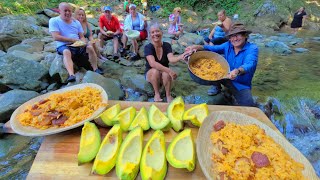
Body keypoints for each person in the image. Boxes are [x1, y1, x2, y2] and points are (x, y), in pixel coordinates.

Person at [185, 23, 258, 107]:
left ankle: (229, 90)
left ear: (245, 35)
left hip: (241, 84)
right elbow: (213, 49)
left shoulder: (252, 48)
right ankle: (217, 86)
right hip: (224, 76)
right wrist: (197, 47)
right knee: (210, 67)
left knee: (248, 106)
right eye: (232, 36)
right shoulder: (228, 45)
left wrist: (238, 71)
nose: (234, 39)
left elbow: (250, 64)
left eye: (238, 35)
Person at [49, 2, 103, 83]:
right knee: (66, 52)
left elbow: (81, 36)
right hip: (64, 45)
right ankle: (71, 75)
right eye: (65, 10)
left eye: (69, 11)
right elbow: (56, 37)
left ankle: (95, 69)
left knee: (90, 47)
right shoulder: (54, 20)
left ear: (72, 12)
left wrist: (83, 42)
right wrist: (72, 40)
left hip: (77, 44)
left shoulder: (76, 22)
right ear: (60, 11)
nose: (67, 13)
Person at [144, 22, 188, 102]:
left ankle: (168, 95)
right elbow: (152, 63)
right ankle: (157, 94)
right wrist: (169, 70)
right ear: (150, 35)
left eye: (157, 31)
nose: (155, 34)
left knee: (165, 73)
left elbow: (171, 59)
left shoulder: (167, 45)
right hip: (151, 74)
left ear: (162, 33)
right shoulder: (148, 47)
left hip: (163, 74)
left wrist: (181, 57)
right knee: (155, 71)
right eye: (152, 32)